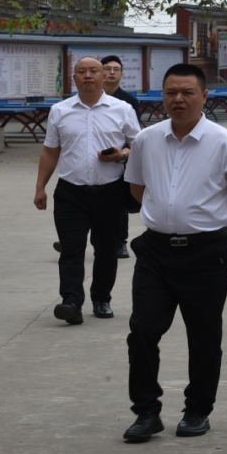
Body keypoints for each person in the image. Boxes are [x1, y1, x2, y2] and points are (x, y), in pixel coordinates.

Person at [121, 63, 227, 443]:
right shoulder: (146, 140)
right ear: (162, 97)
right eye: (171, 93)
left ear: (204, 96)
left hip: (206, 253)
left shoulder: (226, 143)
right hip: (156, 252)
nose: (178, 99)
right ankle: (146, 411)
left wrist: (205, 220)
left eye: (187, 92)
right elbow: (137, 188)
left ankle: (197, 409)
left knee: (204, 334)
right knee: (143, 330)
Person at [34, 57, 140, 323]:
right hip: (70, 192)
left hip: (110, 191)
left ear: (104, 76)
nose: (88, 75)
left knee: (106, 250)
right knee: (71, 249)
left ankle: (101, 299)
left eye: (94, 71)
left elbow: (138, 145)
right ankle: (71, 302)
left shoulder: (122, 109)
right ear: (74, 78)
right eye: (82, 71)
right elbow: (50, 151)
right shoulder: (60, 110)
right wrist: (40, 187)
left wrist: (121, 154)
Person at [101, 54, 141, 259]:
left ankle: (120, 242)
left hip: (120, 158)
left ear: (122, 75)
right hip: (91, 159)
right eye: (107, 69)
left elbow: (133, 134)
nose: (111, 73)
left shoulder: (129, 101)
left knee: (119, 203)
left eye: (116, 69)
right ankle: (72, 240)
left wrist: (123, 153)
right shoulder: (90, 97)